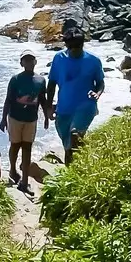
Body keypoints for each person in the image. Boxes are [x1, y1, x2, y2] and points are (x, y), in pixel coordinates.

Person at [47, 25, 106, 162]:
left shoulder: (93, 61)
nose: (74, 50)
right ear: (67, 46)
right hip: (64, 108)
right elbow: (51, 84)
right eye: (71, 47)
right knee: (68, 146)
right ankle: (76, 167)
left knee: (75, 135)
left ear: (83, 44)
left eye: (78, 46)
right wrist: (48, 106)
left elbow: (100, 82)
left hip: (86, 106)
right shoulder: (59, 58)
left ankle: (76, 174)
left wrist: (97, 94)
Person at [0, 54, 47, 189]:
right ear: (21, 63)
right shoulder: (15, 80)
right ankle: (13, 170)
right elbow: (8, 99)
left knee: (27, 147)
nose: (29, 62)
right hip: (15, 118)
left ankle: (25, 181)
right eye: (26, 60)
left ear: (35, 62)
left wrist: (46, 118)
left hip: (31, 119)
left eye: (31, 60)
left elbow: (42, 99)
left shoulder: (41, 80)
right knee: (15, 145)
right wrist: (3, 119)